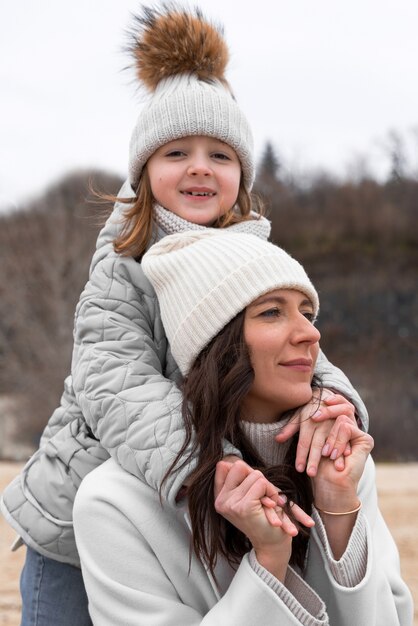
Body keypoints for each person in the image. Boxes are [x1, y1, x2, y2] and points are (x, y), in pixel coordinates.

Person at [1, 6, 367, 625]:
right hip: (88, 508)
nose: (200, 166)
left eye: (220, 155)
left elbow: (308, 354)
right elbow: (116, 383)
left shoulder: (254, 263)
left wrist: (332, 408)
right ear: (145, 173)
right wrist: (212, 462)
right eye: (176, 151)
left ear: (241, 178)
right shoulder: (122, 265)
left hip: (185, 513)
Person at [73, 229, 413, 625]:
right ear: (216, 344)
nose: (311, 333)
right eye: (272, 312)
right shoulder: (113, 503)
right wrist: (269, 561)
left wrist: (337, 510)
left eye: (307, 312)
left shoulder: (342, 468)